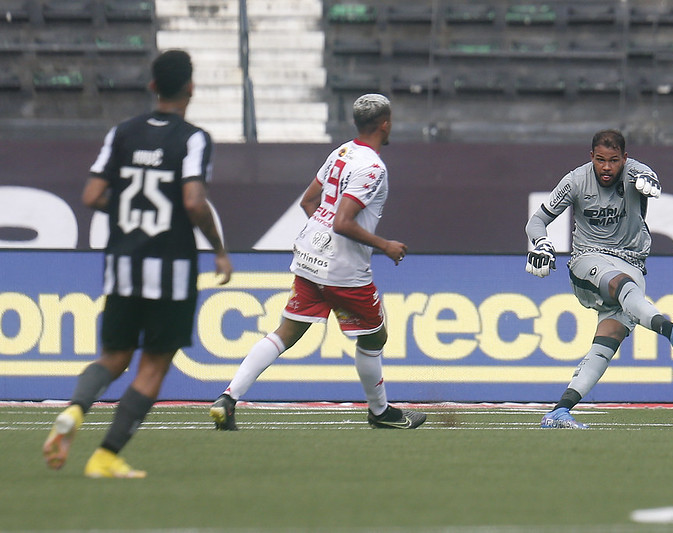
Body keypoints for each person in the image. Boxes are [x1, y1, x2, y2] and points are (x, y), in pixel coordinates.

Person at [42, 49, 233, 477]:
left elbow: (92, 196)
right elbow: (193, 202)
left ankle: (74, 410)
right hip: (172, 271)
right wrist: (219, 247)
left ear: (152, 87)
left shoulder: (122, 133)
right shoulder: (193, 138)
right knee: (152, 368)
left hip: (123, 265)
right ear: (190, 88)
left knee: (112, 357)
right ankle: (106, 455)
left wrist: (130, 210)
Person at [210, 94, 426, 431]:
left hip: (309, 256)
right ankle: (380, 413)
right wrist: (385, 245)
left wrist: (322, 235)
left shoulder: (341, 152)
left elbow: (310, 201)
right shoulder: (372, 167)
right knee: (374, 338)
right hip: (344, 270)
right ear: (384, 124)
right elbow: (343, 222)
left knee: (285, 333)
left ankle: (228, 398)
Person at [525, 129, 673, 429]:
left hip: (632, 263)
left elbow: (650, 177)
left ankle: (559, 411)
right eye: (600, 160)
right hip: (588, 262)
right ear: (591, 157)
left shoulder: (636, 171)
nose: (606, 167)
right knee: (622, 284)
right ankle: (672, 330)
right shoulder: (574, 181)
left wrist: (650, 183)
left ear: (624, 158)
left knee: (605, 345)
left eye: (613, 160)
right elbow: (537, 221)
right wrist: (542, 244)